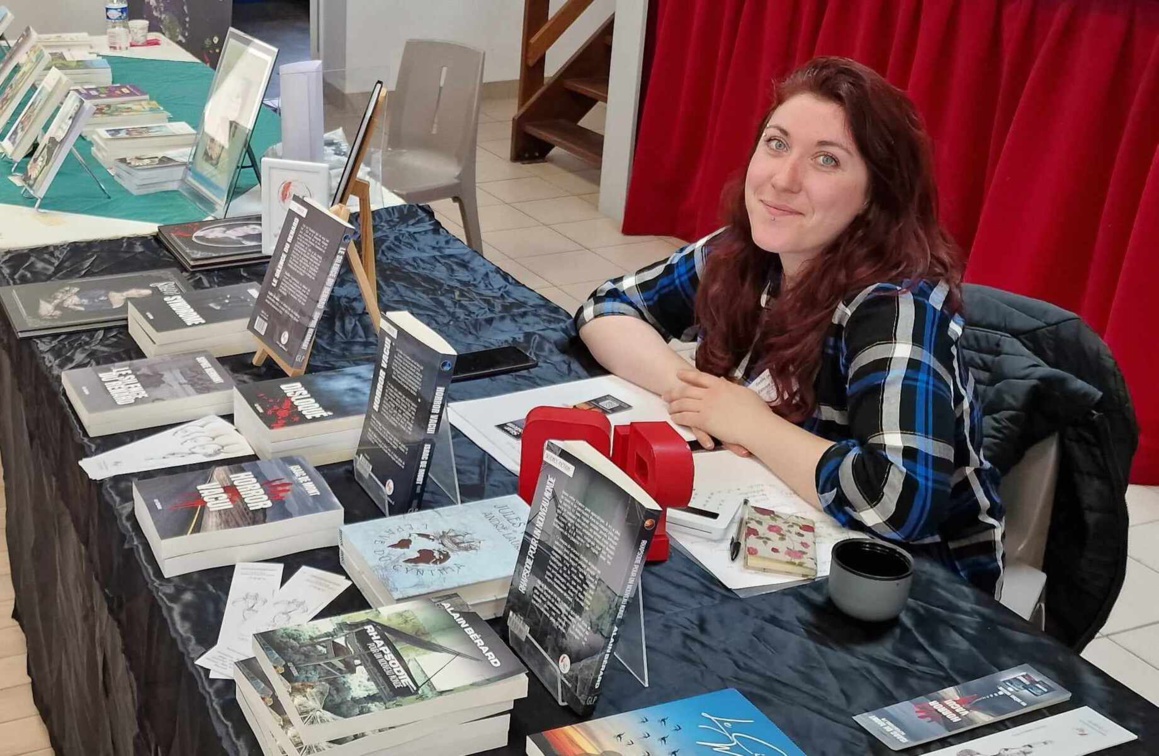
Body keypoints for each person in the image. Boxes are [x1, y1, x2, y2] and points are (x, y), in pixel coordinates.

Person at [576, 57, 1004, 595]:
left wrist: (751, 423)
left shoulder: (896, 306)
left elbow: (899, 503)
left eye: (826, 159)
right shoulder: (748, 249)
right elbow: (606, 308)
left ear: (875, 195)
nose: (783, 180)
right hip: (778, 520)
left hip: (913, 589)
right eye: (776, 144)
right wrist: (693, 393)